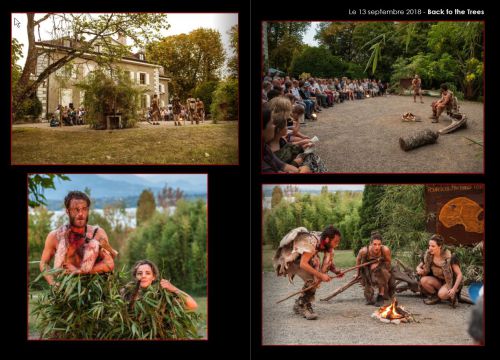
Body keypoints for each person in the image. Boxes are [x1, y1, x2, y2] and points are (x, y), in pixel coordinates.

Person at [39, 191, 117, 286]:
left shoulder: (98, 234)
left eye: (84, 209)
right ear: (67, 211)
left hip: (95, 290)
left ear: (88, 210)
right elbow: (44, 263)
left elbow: (109, 264)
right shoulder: (55, 236)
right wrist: (53, 283)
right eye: (76, 209)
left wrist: (79, 271)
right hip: (66, 292)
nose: (81, 214)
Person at [273, 225, 343, 320]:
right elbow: (303, 264)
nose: (337, 244)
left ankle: (299, 304)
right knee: (313, 279)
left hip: (308, 257)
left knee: (317, 275)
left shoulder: (324, 242)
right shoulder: (311, 243)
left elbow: (328, 260)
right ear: (327, 239)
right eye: (335, 242)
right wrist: (321, 275)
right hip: (296, 260)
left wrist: (335, 271)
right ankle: (303, 306)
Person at [121, 260, 198, 311]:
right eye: (139, 273)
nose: (143, 276)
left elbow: (193, 305)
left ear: (153, 277)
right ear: (135, 277)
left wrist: (173, 288)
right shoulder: (126, 293)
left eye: (148, 273)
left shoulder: (161, 296)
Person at [416, 234, 463, 306]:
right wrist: (419, 269)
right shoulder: (429, 255)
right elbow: (418, 266)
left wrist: (454, 289)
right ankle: (435, 297)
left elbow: (459, 275)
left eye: (433, 246)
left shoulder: (450, 257)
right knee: (423, 280)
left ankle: (453, 295)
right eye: (429, 245)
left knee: (442, 294)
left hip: (450, 282)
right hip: (439, 281)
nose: (430, 248)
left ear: (440, 246)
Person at [355, 232, 394, 306]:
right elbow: (358, 261)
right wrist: (358, 274)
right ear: (370, 244)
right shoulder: (364, 251)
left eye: (379, 244)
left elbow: (388, 263)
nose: (377, 247)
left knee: (382, 273)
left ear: (381, 244)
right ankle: (369, 294)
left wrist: (381, 268)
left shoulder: (385, 250)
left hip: (381, 267)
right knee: (369, 298)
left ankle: (380, 295)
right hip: (367, 268)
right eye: (375, 244)